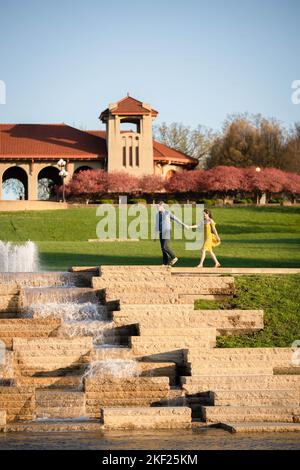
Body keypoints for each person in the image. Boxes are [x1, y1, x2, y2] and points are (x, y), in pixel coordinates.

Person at [155, 201, 187, 266]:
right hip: (161, 232)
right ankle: (165, 262)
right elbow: (157, 225)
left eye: (158, 206)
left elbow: (176, 219)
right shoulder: (157, 215)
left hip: (167, 231)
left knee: (165, 246)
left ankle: (174, 257)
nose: (157, 208)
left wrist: (183, 225)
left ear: (162, 206)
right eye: (157, 207)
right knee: (162, 248)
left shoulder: (168, 213)